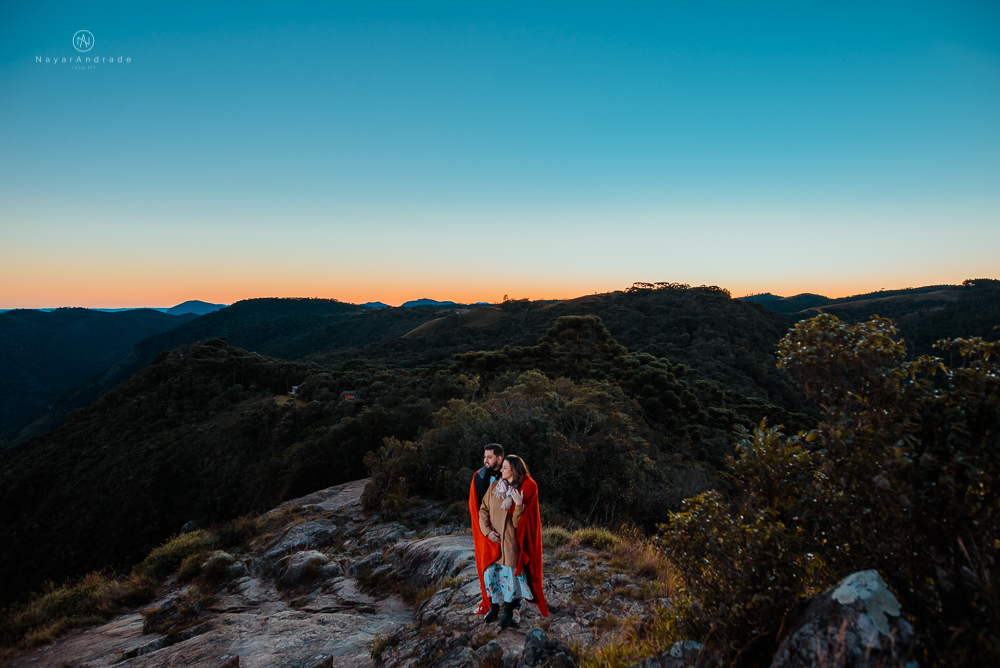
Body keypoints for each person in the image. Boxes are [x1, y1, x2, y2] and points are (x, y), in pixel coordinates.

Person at [477, 455, 549, 627]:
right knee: (490, 575)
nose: (501, 470)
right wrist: (487, 531)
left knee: (509, 578)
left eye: (504, 468)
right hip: (493, 542)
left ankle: (509, 611)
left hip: (509, 545)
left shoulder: (520, 492)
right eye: (502, 467)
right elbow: (483, 510)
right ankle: (494, 608)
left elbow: (519, 523)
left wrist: (518, 505)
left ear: (514, 471)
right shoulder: (494, 487)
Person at [469, 444, 505, 617]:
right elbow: (477, 507)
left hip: (506, 530)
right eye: (484, 456)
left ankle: (513, 606)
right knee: (488, 568)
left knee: (508, 567)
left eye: (489, 457)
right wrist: (485, 530)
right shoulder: (480, 476)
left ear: (499, 458)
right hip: (486, 530)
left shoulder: (510, 473)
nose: (486, 460)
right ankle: (493, 603)